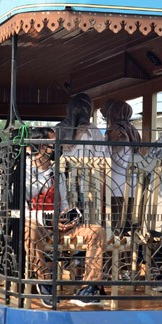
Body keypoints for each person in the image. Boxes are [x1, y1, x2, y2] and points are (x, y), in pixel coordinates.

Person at [24, 127, 106, 307]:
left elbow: (64, 204)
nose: (56, 148)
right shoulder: (24, 173)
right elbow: (22, 212)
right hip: (37, 226)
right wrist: (49, 218)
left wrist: (69, 217)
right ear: (41, 146)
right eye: (52, 144)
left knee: (97, 231)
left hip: (60, 228)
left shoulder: (57, 174)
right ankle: (45, 281)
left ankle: (89, 287)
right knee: (28, 229)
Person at [104, 100, 141, 233]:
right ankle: (129, 253)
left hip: (115, 184)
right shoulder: (133, 130)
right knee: (129, 225)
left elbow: (111, 155)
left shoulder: (114, 130)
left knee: (115, 225)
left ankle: (115, 253)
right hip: (133, 183)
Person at [56, 93, 108, 158]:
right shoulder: (60, 129)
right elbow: (103, 157)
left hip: (82, 167)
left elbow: (103, 157)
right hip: (69, 167)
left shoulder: (94, 131)